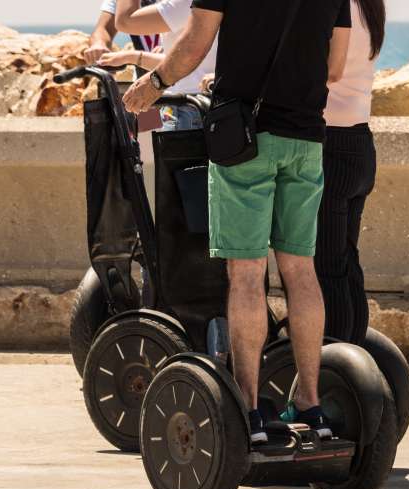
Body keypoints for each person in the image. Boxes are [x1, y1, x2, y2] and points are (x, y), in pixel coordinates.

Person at [122, 0, 351, 444]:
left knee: (246, 273)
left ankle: (248, 408)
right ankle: (311, 402)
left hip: (243, 138)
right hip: (305, 138)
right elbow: (334, 65)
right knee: (301, 269)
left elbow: (195, 40)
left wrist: (153, 85)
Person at [317, 0, 385, 345]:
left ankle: (337, 362)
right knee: (347, 261)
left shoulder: (336, 7)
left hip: (331, 144)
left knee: (326, 266)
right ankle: (356, 353)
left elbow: (328, 69)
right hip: (359, 140)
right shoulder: (370, 7)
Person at [99, 0, 217, 131]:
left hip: (189, 110)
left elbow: (125, 20)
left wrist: (154, 82)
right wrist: (131, 57)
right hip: (194, 107)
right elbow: (180, 62)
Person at [83, 0, 162, 66]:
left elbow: (124, 21)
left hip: (169, 69)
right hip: (145, 72)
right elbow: (104, 29)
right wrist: (99, 44)